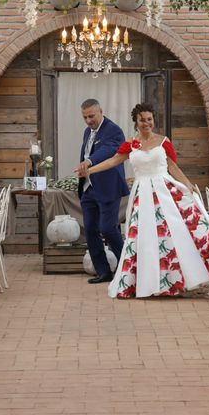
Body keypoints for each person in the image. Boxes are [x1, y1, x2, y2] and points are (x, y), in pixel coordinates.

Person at [86, 103, 209, 298]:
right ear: (136, 122)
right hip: (142, 195)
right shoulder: (131, 144)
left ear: (153, 121)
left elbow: (173, 168)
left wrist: (188, 185)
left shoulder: (163, 142)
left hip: (165, 191)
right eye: (142, 120)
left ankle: (183, 278)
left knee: (175, 234)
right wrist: (89, 170)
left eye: (149, 119)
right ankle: (148, 282)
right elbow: (112, 161)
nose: (147, 123)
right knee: (144, 238)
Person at [74, 99, 129, 284]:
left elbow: (108, 150)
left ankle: (128, 268)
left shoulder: (113, 130)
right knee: (90, 229)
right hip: (89, 189)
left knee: (107, 228)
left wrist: (89, 162)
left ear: (101, 112)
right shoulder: (86, 132)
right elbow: (86, 153)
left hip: (108, 188)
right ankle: (103, 271)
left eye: (91, 116)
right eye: (85, 117)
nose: (89, 120)